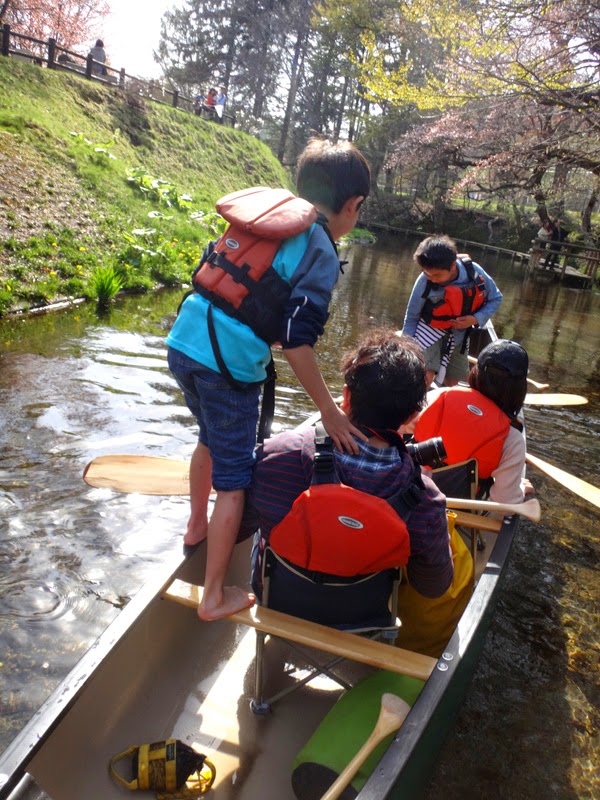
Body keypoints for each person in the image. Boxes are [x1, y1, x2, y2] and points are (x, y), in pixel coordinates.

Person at [166, 137, 371, 621]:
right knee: (235, 481)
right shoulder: (319, 248)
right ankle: (214, 597)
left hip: (184, 341)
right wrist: (329, 412)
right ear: (353, 205)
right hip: (227, 367)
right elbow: (297, 342)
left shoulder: (267, 216)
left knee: (208, 439)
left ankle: (196, 527)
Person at [241, 330, 454, 603]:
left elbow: (239, 530)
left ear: (346, 396)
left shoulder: (277, 456)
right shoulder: (427, 500)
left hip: (277, 602)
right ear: (412, 416)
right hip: (363, 618)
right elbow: (432, 587)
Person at [412, 339, 534, 504]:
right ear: (519, 389)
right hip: (459, 510)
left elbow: (399, 431)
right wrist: (520, 488)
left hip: (411, 494)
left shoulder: (438, 397)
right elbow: (504, 502)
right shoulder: (512, 439)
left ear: (475, 372)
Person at [402, 234, 503, 387]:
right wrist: (406, 348)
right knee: (426, 376)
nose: (432, 278)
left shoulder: (473, 272)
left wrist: (475, 319)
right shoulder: (424, 280)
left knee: (456, 383)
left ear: (453, 266)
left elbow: (496, 298)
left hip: (459, 335)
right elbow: (411, 318)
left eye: (437, 275)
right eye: (426, 273)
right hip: (428, 331)